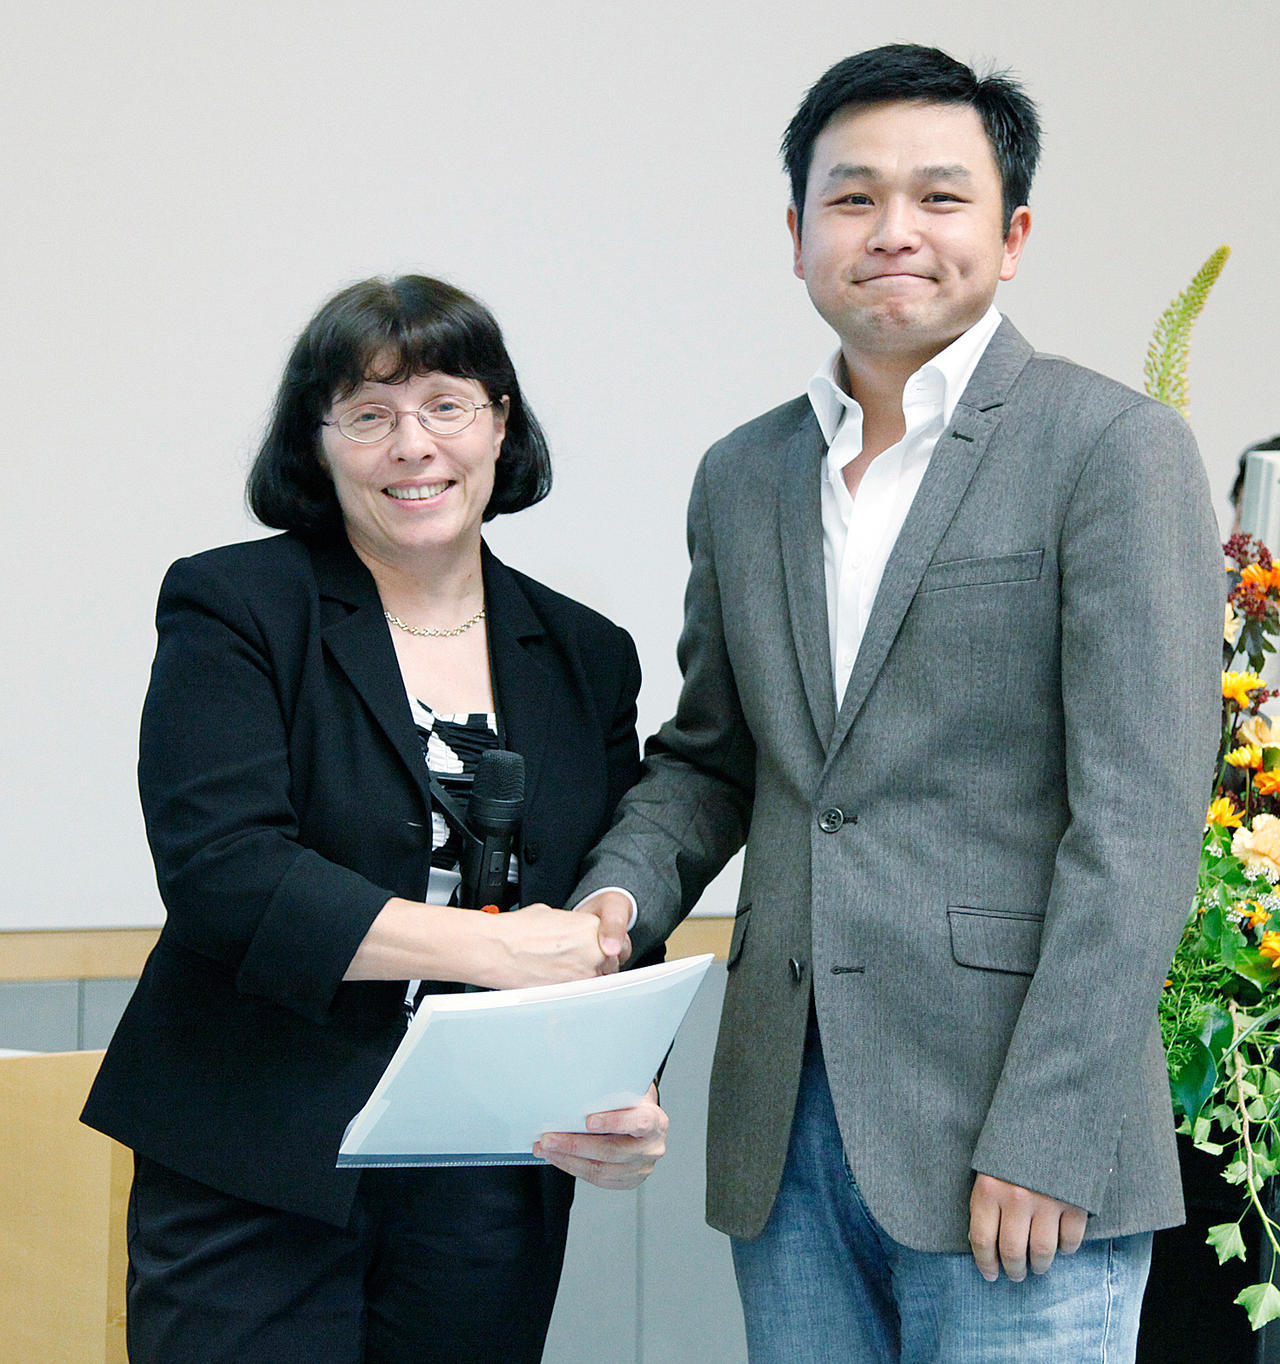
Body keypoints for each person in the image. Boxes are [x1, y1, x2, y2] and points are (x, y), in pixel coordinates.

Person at [569, 44, 1222, 1362]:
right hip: (784, 1129)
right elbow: (713, 759)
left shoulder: (1110, 447)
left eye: (939, 195)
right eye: (853, 197)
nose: (892, 230)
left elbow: (1140, 823)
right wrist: (614, 904)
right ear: (797, 233)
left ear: (1012, 233)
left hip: (1015, 1135)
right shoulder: (743, 474)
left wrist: (1051, 1130)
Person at [81, 274, 667, 1363]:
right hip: (253, 1152)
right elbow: (226, 875)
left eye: (446, 404)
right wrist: (492, 947)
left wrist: (623, 1090)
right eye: (368, 413)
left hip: (487, 1173)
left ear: (500, 423)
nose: (413, 445)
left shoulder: (586, 652)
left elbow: (604, 909)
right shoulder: (236, 604)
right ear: (318, 444)